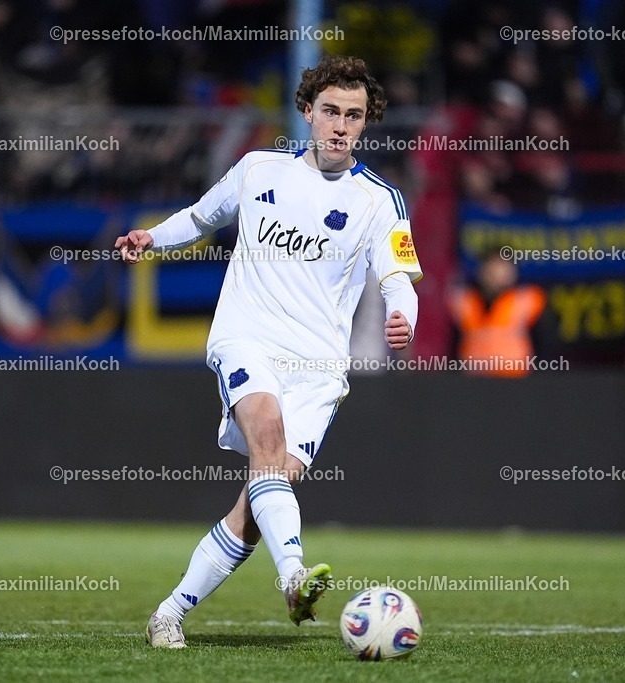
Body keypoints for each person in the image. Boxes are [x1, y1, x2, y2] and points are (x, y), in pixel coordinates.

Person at [115, 55, 423, 648]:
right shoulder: (258, 168)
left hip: (319, 368)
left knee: (260, 503)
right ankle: (295, 577)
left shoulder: (380, 200)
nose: (340, 125)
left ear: (365, 123)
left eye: (353, 115)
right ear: (306, 111)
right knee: (267, 437)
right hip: (248, 337)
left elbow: (398, 281)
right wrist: (152, 237)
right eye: (330, 111)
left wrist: (402, 319)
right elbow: (201, 218)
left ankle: (169, 614)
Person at [448, 246, 544, 377]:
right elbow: (451, 342)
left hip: (515, 377)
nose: (496, 272)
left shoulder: (527, 300)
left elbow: (544, 343)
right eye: (492, 266)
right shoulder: (464, 301)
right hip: (473, 377)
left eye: (502, 266)